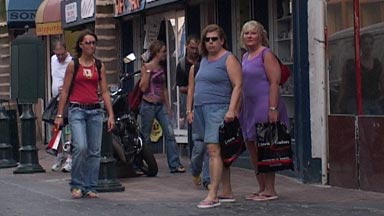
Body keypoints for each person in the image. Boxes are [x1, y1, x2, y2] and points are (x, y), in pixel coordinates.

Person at [54, 31, 115, 199]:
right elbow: (65, 90)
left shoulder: (99, 65)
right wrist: (59, 114)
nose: (91, 46)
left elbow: (104, 91)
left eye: (94, 42)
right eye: (87, 43)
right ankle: (76, 183)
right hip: (77, 110)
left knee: (94, 151)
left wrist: (110, 114)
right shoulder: (74, 65)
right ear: (80, 45)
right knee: (81, 147)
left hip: (95, 110)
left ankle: (90, 186)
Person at [189, 24, 242, 209]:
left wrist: (232, 109)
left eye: (214, 39)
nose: (210, 43)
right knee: (218, 151)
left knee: (213, 150)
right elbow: (194, 87)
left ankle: (213, 193)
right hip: (201, 109)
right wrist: (191, 110)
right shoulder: (203, 60)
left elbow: (237, 85)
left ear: (222, 40)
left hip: (218, 108)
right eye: (207, 39)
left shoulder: (228, 59)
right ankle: (226, 190)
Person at [239, 20, 289, 201]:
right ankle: (261, 187)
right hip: (249, 106)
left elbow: (275, 83)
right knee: (251, 145)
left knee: (265, 146)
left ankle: (270, 189)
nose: (249, 36)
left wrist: (273, 108)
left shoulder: (266, 54)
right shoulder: (245, 57)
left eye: (253, 33)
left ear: (261, 35)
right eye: (246, 33)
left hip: (264, 104)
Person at [139, 40, 186, 174]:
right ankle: (146, 163)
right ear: (156, 53)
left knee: (169, 132)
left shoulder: (161, 68)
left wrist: (168, 105)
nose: (165, 54)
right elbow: (143, 87)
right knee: (146, 135)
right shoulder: (146, 67)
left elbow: (164, 88)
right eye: (163, 51)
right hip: (148, 104)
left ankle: (174, 163)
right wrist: (148, 71)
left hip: (160, 105)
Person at [337, 33, 384, 115]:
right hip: (356, 101)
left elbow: (382, 82)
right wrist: (339, 103)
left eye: (370, 43)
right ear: (361, 46)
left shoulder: (377, 64)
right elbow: (344, 85)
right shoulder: (351, 65)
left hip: (373, 101)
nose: (368, 46)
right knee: (365, 120)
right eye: (365, 43)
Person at [186, 63, 211, 189]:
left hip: (212, 111)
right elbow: (191, 89)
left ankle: (208, 180)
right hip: (198, 111)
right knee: (199, 147)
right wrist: (189, 110)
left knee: (210, 147)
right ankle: (195, 170)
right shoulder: (195, 68)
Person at [50, 40, 73, 173]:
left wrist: (66, 88)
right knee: (56, 129)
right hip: (56, 100)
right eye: (57, 54)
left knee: (69, 129)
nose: (59, 57)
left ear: (66, 50)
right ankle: (59, 156)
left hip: (68, 99)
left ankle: (70, 158)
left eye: (61, 54)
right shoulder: (53, 60)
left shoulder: (71, 62)